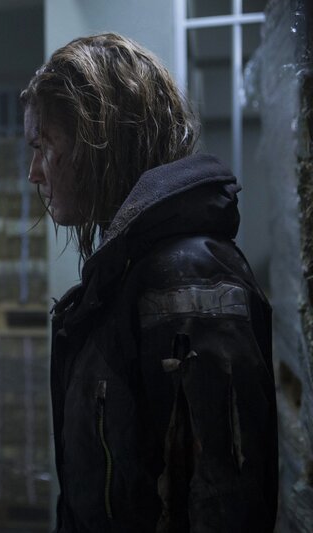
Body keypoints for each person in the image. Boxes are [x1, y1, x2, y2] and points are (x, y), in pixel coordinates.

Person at [20, 33, 277, 532]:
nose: (34, 172)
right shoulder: (131, 272)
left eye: (43, 146)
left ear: (100, 140)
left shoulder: (186, 276)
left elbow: (221, 504)